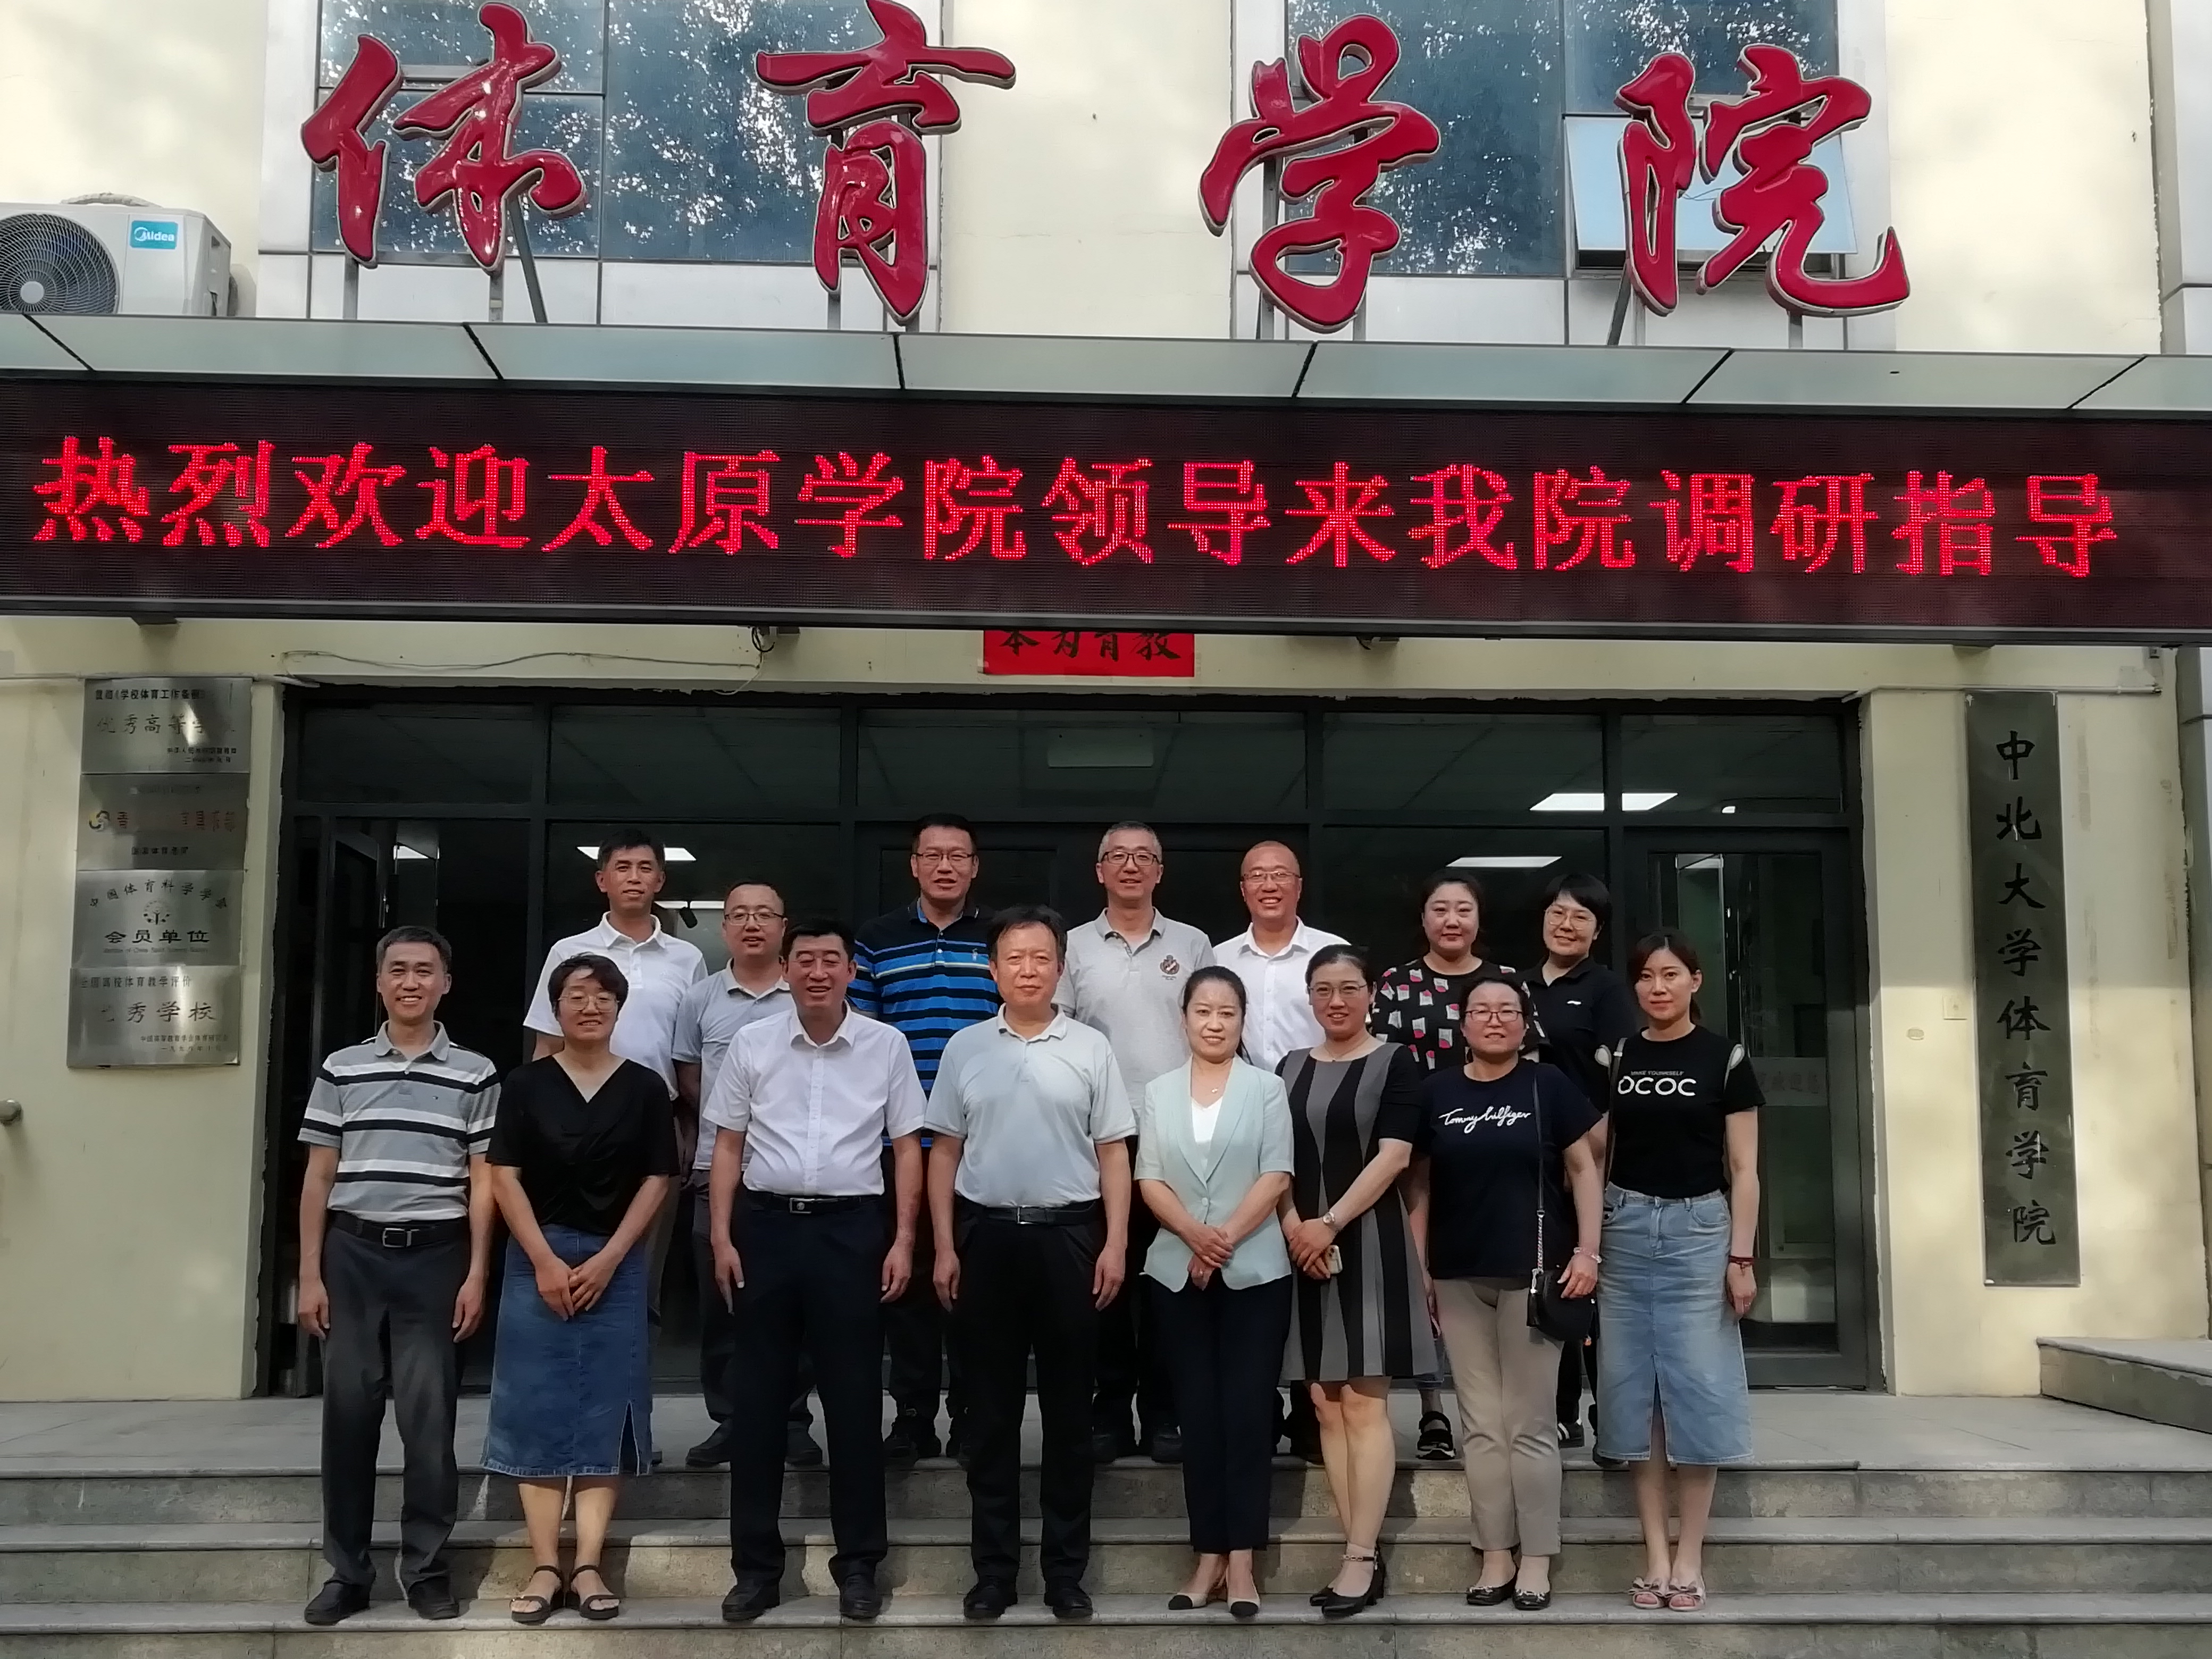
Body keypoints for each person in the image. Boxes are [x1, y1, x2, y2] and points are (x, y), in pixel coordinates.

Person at [708, 920, 926, 1624]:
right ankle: (756, 1571)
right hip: (765, 1230)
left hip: (851, 1233)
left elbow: (908, 1147)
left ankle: (858, 1566)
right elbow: (728, 1144)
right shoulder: (753, 1043)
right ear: (786, 969)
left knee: (855, 1403)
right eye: (805, 959)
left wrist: (904, 1239)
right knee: (758, 1405)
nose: (818, 971)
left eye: (832, 959)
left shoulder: (885, 1046)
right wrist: (721, 1237)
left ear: (851, 972)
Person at [928, 905, 1134, 1622]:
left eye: (1041, 958)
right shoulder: (965, 1048)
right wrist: (944, 1245)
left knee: (1070, 1415)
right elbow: (944, 1151)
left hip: (1070, 1240)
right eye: (1013, 958)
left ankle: (1064, 1574)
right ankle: (993, 1573)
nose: (1027, 970)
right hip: (986, 1240)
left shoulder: (1090, 1048)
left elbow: (1113, 1152)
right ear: (993, 970)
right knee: (989, 1417)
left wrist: (1114, 1243)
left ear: (1059, 969)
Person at [296, 926, 499, 1627]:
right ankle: (348, 1574)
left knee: (429, 1425)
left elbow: (483, 1181)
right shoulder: (342, 1068)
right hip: (352, 1259)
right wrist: (310, 1274)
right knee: (348, 1421)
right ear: (381, 982)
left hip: (436, 1260)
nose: (411, 982)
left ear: (446, 984)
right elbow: (318, 1177)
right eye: (399, 970)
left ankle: (426, 1570)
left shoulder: (475, 1073)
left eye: (425, 971)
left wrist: (477, 1272)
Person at [483, 953, 679, 1626]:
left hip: (615, 1262)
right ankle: (545, 1564)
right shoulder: (525, 1084)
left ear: (619, 1008)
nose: (589, 1006)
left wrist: (612, 1258)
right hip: (534, 1257)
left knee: (606, 1405)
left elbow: (658, 1177)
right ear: (556, 1007)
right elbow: (503, 1174)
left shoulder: (645, 1087)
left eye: (603, 996)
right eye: (575, 995)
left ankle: (589, 1561)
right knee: (535, 1404)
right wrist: (542, 1259)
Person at [1405, 979, 1603, 1613]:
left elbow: (1584, 1169)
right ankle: (1494, 1553)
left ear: (1524, 1023)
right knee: (1480, 1426)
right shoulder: (1436, 1091)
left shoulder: (1548, 1086)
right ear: (1462, 1025)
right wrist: (1420, 1268)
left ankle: (1537, 1556)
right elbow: (1418, 1186)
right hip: (1458, 1275)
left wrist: (1588, 1252)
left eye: (1506, 1011)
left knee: (1530, 1424)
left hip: (1535, 1276)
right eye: (1481, 1011)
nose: (1494, 1020)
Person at [1595, 930, 1763, 1613]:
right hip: (1624, 1230)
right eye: (1645, 976)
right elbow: (1594, 1158)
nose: (1656, 987)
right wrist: (1587, 1245)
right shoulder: (1615, 1057)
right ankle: (1654, 1558)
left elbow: (1744, 1169)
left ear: (1695, 980)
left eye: (1670, 975)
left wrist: (1740, 1257)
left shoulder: (1724, 1057)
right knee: (1634, 1397)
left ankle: (1689, 1558)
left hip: (1700, 1232)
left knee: (1695, 1391)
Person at [1135, 966, 1294, 1621]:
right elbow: (1149, 1178)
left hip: (1253, 1271)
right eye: (1202, 1011)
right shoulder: (1158, 1091)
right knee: (1197, 1417)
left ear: (1241, 1020)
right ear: (1184, 1018)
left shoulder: (1266, 1088)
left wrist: (1219, 1241)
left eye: (1226, 1012)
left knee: (1247, 1415)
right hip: (1177, 1272)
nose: (1213, 1023)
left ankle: (1243, 1560)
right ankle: (1207, 1555)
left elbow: (1275, 1173)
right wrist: (1194, 1238)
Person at [1280, 943, 1434, 1620]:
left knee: (1364, 1401)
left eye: (1348, 988)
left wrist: (1328, 1224)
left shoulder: (1394, 1062)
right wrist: (1295, 1228)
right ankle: (1354, 1546)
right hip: (1300, 1246)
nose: (1335, 1001)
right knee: (1324, 1402)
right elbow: (1273, 1158)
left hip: (1369, 1242)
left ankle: (1361, 1557)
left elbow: (1394, 1157)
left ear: (1371, 993)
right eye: (1322, 989)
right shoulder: (1287, 1067)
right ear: (1308, 998)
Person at [1371, 871, 1540, 1460]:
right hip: (1417, 1148)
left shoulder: (1506, 982)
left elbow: (1532, 1065)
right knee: (1423, 1275)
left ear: (1478, 919)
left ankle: (1503, 1411)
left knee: (1487, 1281)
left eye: (1463, 909)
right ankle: (1432, 1407)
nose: (1451, 920)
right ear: (1423, 919)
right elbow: (1380, 1066)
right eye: (1439, 909)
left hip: (1493, 1146)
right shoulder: (1396, 985)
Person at [1058, 820, 1212, 1463]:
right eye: (1117, 857)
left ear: (1159, 871)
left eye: (1143, 857)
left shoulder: (1192, 943)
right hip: (1098, 1141)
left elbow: (1211, 1031)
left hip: (1175, 1138)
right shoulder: (1071, 946)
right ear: (1099, 871)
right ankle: (1109, 1411)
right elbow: (1059, 1039)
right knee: (1107, 1282)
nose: (1130, 866)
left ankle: (1164, 1411)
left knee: (1168, 1282)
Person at [853, 813, 999, 1468]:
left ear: (974, 866)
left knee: (973, 1284)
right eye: (932, 855)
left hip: (983, 1141)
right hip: (902, 1144)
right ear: (913, 864)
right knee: (907, 1283)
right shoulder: (877, 939)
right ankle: (912, 1416)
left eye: (957, 856)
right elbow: (862, 1041)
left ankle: (969, 1413)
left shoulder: (998, 938)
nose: (945, 866)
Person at [524, 831, 707, 1337]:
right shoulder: (569, 951)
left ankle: (631, 1375)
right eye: (623, 868)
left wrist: (689, 1127)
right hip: (573, 1123)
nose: (634, 878)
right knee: (572, 1259)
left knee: (642, 1271)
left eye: (645, 868)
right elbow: (545, 1046)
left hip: (655, 1121)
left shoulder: (686, 959)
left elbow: (689, 1055)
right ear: (602, 880)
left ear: (660, 881)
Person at [670, 881, 802, 1472]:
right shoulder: (700, 998)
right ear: (723, 927)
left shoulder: (805, 991)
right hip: (714, 1169)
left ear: (782, 927)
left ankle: (792, 1422)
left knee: (791, 1303)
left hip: (789, 1173)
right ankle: (729, 1419)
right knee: (720, 1305)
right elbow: (689, 1076)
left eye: (764, 915)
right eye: (740, 915)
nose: (752, 924)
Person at [1524, 872, 1638, 1454]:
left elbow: (1622, 1080)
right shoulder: (1517, 986)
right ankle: (1560, 1412)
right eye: (1557, 913)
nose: (1565, 925)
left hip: (1591, 1158)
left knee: (1595, 1288)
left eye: (1580, 917)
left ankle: (1613, 1422)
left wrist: (1590, 1155)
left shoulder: (1606, 989)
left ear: (1597, 932)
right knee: (1549, 1284)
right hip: (1533, 1160)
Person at [1214, 841, 1344, 1073]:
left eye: (1280, 875)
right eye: (1257, 876)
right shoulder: (1219, 958)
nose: (1269, 886)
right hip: (1243, 1088)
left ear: (1299, 887)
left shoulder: (1335, 953)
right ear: (1243, 890)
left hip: (1321, 1085)